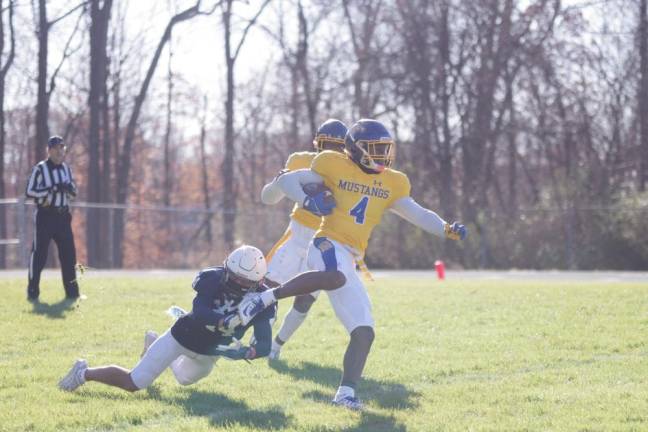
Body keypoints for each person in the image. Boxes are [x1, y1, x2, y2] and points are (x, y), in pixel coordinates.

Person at [258, 119, 467, 410]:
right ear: (356, 149)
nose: (383, 155)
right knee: (334, 276)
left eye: (385, 149)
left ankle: (345, 394)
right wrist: (308, 200)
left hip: (352, 255)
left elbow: (418, 214)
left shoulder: (393, 182)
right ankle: (268, 297)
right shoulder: (333, 164)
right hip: (325, 243)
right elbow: (286, 181)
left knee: (364, 332)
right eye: (376, 149)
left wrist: (446, 228)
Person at [58, 245, 345, 393]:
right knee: (137, 383)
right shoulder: (211, 279)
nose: (234, 282)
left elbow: (264, 343)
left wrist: (251, 351)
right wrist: (225, 323)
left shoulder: (263, 299)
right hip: (183, 336)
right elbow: (200, 311)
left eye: (242, 281)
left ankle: (150, 344)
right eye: (232, 275)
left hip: (211, 353)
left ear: (255, 282)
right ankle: (83, 373)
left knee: (183, 380)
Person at [262, 118, 348, 360]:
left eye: (337, 146)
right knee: (266, 290)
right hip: (297, 235)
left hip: (324, 243)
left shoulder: (351, 172)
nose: (331, 151)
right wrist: (282, 183)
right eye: (326, 144)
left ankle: (276, 347)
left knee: (304, 302)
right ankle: (260, 339)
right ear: (317, 143)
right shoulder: (300, 160)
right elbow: (268, 197)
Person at [25, 135, 79, 301]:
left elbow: (74, 193)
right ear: (49, 150)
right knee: (39, 255)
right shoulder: (40, 169)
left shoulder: (66, 169)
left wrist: (70, 189)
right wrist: (51, 190)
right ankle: (33, 291)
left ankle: (72, 293)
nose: (59, 151)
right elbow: (29, 191)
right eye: (55, 148)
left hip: (63, 217)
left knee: (69, 255)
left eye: (62, 148)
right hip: (46, 215)